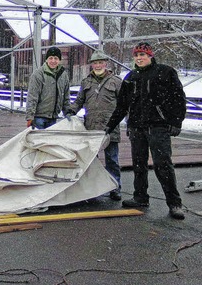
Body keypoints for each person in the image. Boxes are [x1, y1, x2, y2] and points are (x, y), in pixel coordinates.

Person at [105, 43, 186, 220]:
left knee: (163, 164)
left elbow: (178, 97)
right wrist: (109, 127)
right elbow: (122, 106)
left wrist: (176, 121)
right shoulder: (130, 77)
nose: (139, 58)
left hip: (158, 127)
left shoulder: (165, 72)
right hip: (136, 128)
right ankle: (140, 197)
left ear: (150, 56)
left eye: (143, 55)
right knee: (139, 164)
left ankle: (174, 203)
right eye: (137, 55)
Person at [66, 50, 123, 200]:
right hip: (91, 128)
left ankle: (115, 186)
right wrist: (71, 111)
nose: (98, 65)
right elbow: (79, 101)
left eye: (100, 62)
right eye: (95, 63)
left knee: (112, 159)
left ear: (106, 63)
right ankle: (93, 189)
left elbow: (124, 105)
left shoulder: (116, 82)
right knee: (92, 161)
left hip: (110, 128)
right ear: (92, 65)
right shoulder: (86, 82)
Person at [25, 46, 72, 129]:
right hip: (39, 117)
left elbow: (66, 97)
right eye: (50, 58)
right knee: (39, 141)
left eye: (56, 58)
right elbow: (32, 96)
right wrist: (30, 116)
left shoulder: (63, 75)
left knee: (50, 142)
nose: (53, 61)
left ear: (59, 60)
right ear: (46, 59)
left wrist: (68, 113)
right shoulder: (38, 74)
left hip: (53, 118)